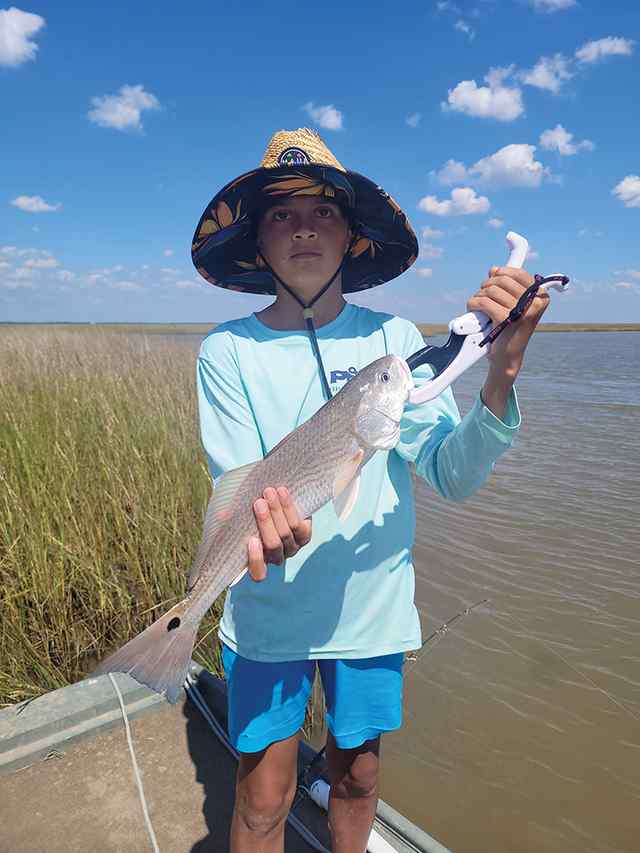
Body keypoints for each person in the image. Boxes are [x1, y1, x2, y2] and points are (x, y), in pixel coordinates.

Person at [192, 128, 546, 853]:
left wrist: (501, 371)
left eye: (323, 211)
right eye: (282, 214)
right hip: (269, 615)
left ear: (352, 236)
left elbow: (450, 469)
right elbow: (241, 486)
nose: (304, 228)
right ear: (257, 242)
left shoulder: (392, 341)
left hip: (374, 614)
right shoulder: (226, 351)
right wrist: (270, 527)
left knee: (357, 779)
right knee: (263, 800)